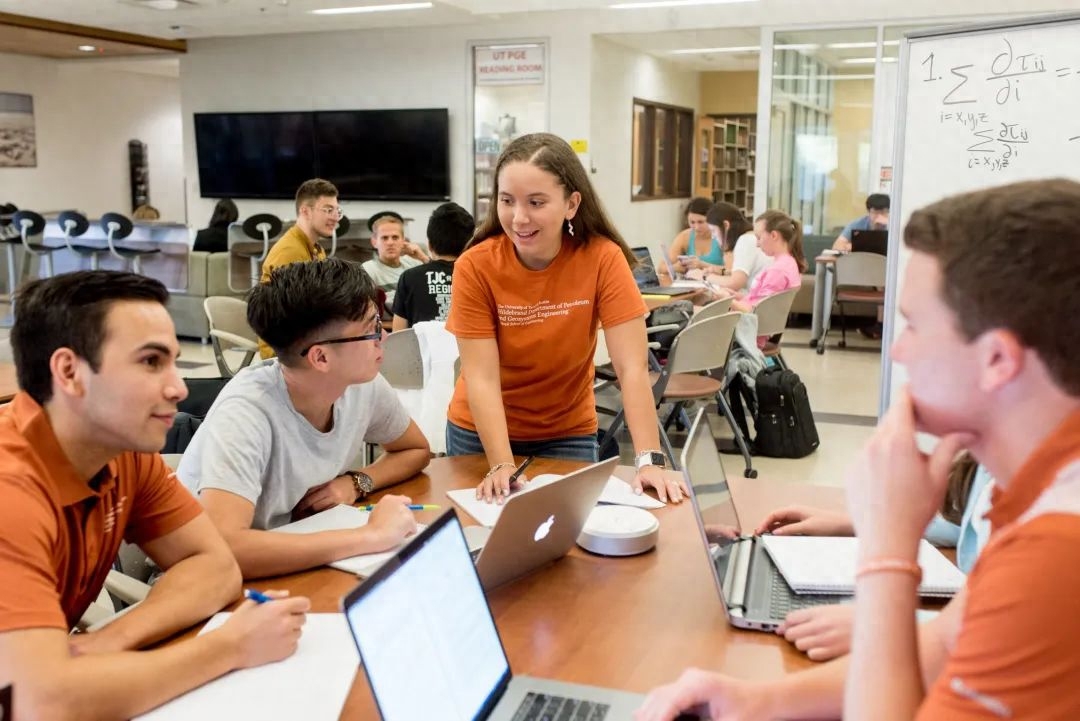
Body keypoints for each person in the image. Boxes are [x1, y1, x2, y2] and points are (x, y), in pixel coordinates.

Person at [635, 178, 1080, 721]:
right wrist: (755, 701)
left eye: (914, 326)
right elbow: (944, 647)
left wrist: (888, 549)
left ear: (996, 361)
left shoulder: (1057, 551)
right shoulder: (1041, 488)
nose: (898, 351)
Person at [0, 271, 308, 720]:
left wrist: (109, 640)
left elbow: (216, 566)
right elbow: (47, 703)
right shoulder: (10, 491)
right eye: (150, 361)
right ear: (69, 372)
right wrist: (230, 647)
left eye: (174, 361)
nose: (179, 388)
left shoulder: (121, 450)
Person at [446, 132, 688, 505]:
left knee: (574, 534)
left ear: (571, 204)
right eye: (507, 201)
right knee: (486, 533)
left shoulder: (602, 258)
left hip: (567, 431)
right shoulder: (475, 266)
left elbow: (631, 369)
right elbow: (481, 377)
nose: (519, 217)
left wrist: (649, 461)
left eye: (536, 202)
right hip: (480, 434)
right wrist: (501, 464)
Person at [177, 258, 430, 579]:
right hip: (210, 577)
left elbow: (415, 449)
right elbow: (223, 549)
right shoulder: (247, 412)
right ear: (320, 357)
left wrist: (356, 482)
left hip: (297, 552)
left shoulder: (362, 384)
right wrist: (370, 536)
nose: (384, 338)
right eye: (371, 330)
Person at [756, 455, 994, 662]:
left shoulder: (1013, 497)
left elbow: (997, 631)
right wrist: (852, 523)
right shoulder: (986, 469)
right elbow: (960, 526)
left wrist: (880, 628)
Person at [256, 178, 337, 359]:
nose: (335, 217)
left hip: (304, 337)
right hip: (285, 348)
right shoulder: (290, 252)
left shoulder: (316, 249)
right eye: (328, 210)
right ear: (305, 211)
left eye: (337, 210)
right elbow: (292, 316)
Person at [391, 201, 474, 331]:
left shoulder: (409, 278)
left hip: (419, 345)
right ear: (468, 246)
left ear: (429, 245)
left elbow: (398, 334)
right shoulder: (478, 278)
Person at [723, 209, 806, 317]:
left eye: (759, 238)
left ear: (774, 235)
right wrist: (736, 296)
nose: (757, 244)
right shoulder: (789, 263)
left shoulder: (778, 271)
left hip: (749, 325)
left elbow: (757, 312)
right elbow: (762, 302)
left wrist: (725, 299)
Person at [695, 202, 771, 294]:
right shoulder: (749, 237)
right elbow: (740, 273)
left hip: (757, 299)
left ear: (726, 225)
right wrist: (719, 271)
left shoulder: (745, 241)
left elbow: (735, 283)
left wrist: (703, 276)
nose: (713, 237)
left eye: (713, 231)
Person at [361, 210, 430, 305]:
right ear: (374, 242)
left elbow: (439, 285)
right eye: (384, 238)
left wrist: (423, 258)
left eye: (395, 237)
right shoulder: (367, 270)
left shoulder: (415, 264)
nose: (390, 243)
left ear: (403, 241)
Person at [665, 197, 726, 277]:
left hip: (718, 283)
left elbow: (732, 272)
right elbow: (661, 267)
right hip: (692, 283)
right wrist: (675, 267)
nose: (696, 227)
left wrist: (702, 265)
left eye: (701, 222)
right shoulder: (685, 236)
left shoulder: (722, 237)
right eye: (692, 222)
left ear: (712, 219)